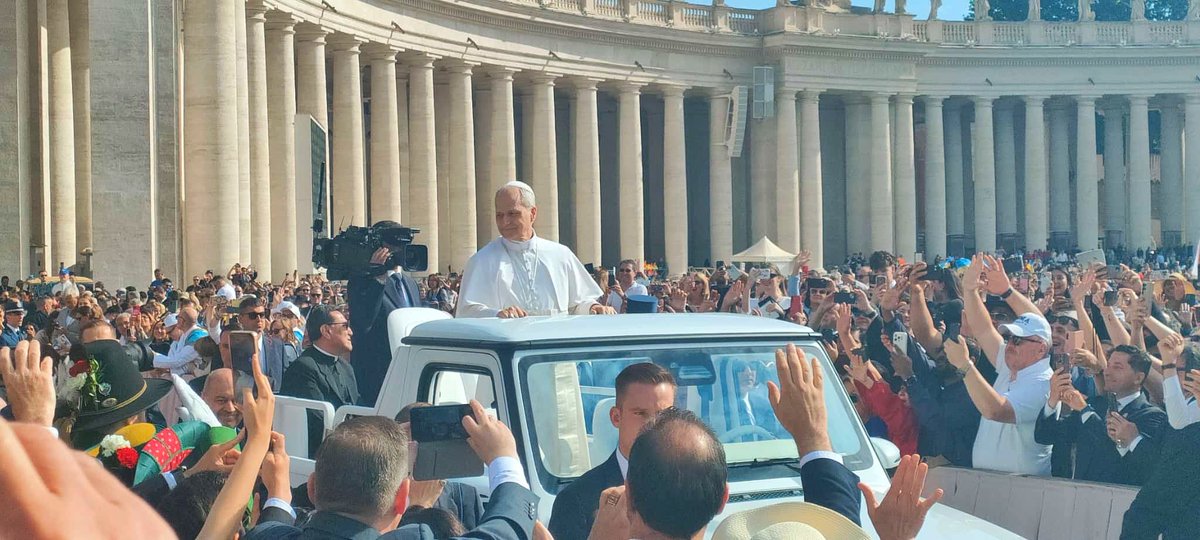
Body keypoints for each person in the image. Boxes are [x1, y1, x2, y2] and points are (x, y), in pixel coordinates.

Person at [245, 405, 539, 540]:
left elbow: (269, 527)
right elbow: (504, 530)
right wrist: (505, 457)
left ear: (311, 487)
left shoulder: (264, 536)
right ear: (402, 498)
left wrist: (278, 495)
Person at [549, 362, 677, 540]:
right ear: (616, 417)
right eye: (641, 413)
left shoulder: (688, 486)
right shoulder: (576, 501)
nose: (653, 424)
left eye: (662, 415)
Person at [952, 254, 1053, 476]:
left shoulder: (1045, 383)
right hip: (990, 484)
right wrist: (969, 290)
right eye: (1009, 338)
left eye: (1018, 340)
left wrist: (965, 366)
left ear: (1041, 349)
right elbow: (983, 329)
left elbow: (996, 410)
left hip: (1024, 488)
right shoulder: (1013, 365)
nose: (1010, 345)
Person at [457, 181, 615, 318]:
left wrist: (593, 308)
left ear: (532, 213)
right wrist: (496, 314)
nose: (505, 221)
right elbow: (467, 313)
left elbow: (576, 305)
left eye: (513, 213)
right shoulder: (481, 261)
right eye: (499, 215)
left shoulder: (560, 255)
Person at [1034, 345, 1166, 485]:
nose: (1107, 372)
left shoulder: (1153, 417)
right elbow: (1045, 436)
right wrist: (1053, 400)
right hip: (1080, 497)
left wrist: (1086, 411)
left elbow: (1116, 456)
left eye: (1117, 367)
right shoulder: (1096, 406)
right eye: (1108, 365)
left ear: (1138, 378)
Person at [346, 220, 424, 407]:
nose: (400, 251)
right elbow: (363, 322)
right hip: (379, 374)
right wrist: (376, 276)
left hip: (411, 369)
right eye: (394, 247)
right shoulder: (362, 281)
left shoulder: (409, 283)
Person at [279, 305, 359, 457]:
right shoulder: (303, 368)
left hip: (349, 450)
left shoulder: (346, 367)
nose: (351, 332)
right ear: (326, 331)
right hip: (320, 457)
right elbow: (317, 420)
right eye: (345, 326)